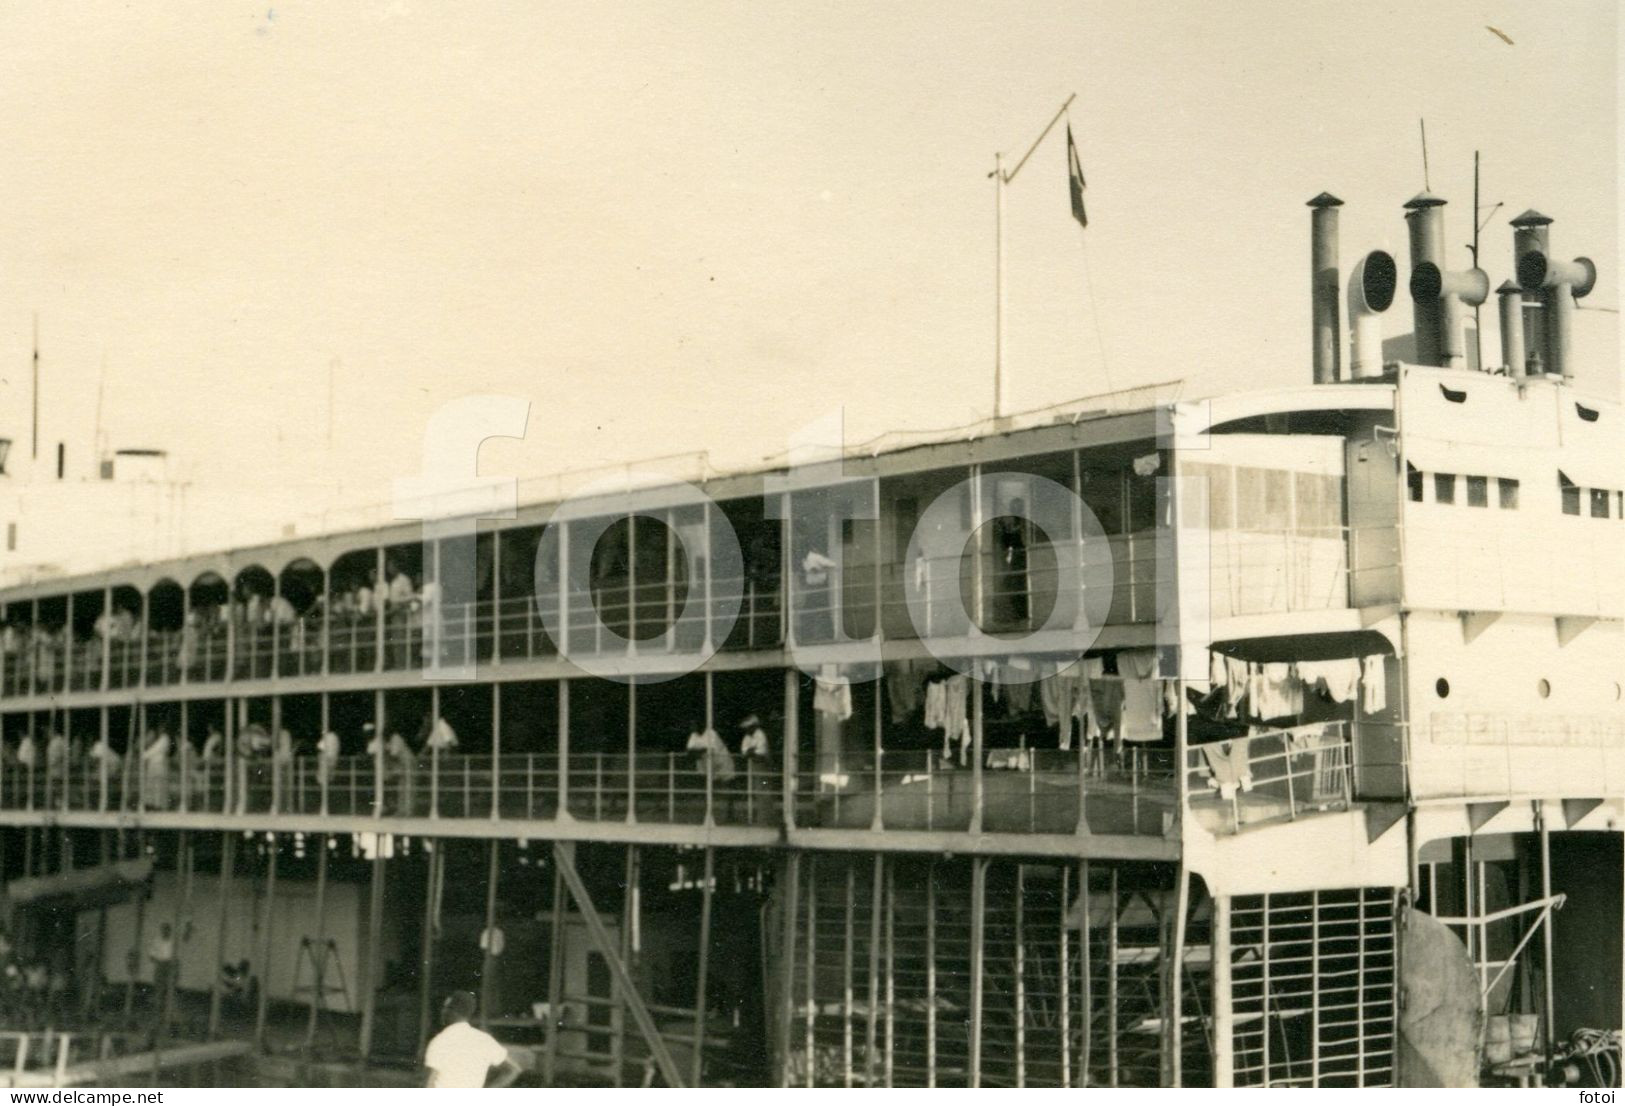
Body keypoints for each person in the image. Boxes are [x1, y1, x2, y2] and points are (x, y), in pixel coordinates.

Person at [423, 990, 521, 1088]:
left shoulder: (440, 1041)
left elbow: (429, 1085)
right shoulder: (484, 1040)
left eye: (445, 1007)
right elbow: (513, 1070)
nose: (442, 1011)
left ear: (454, 1011)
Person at [148, 922, 177, 1031]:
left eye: (167, 929)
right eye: (164, 929)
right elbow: (151, 955)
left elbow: (175, 955)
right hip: (160, 966)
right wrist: (159, 961)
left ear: (170, 931)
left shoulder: (173, 941)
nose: (165, 931)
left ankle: (169, 1017)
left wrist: (171, 965)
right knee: (159, 992)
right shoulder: (157, 941)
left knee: (170, 991)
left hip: (170, 966)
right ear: (161, 931)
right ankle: (157, 1018)